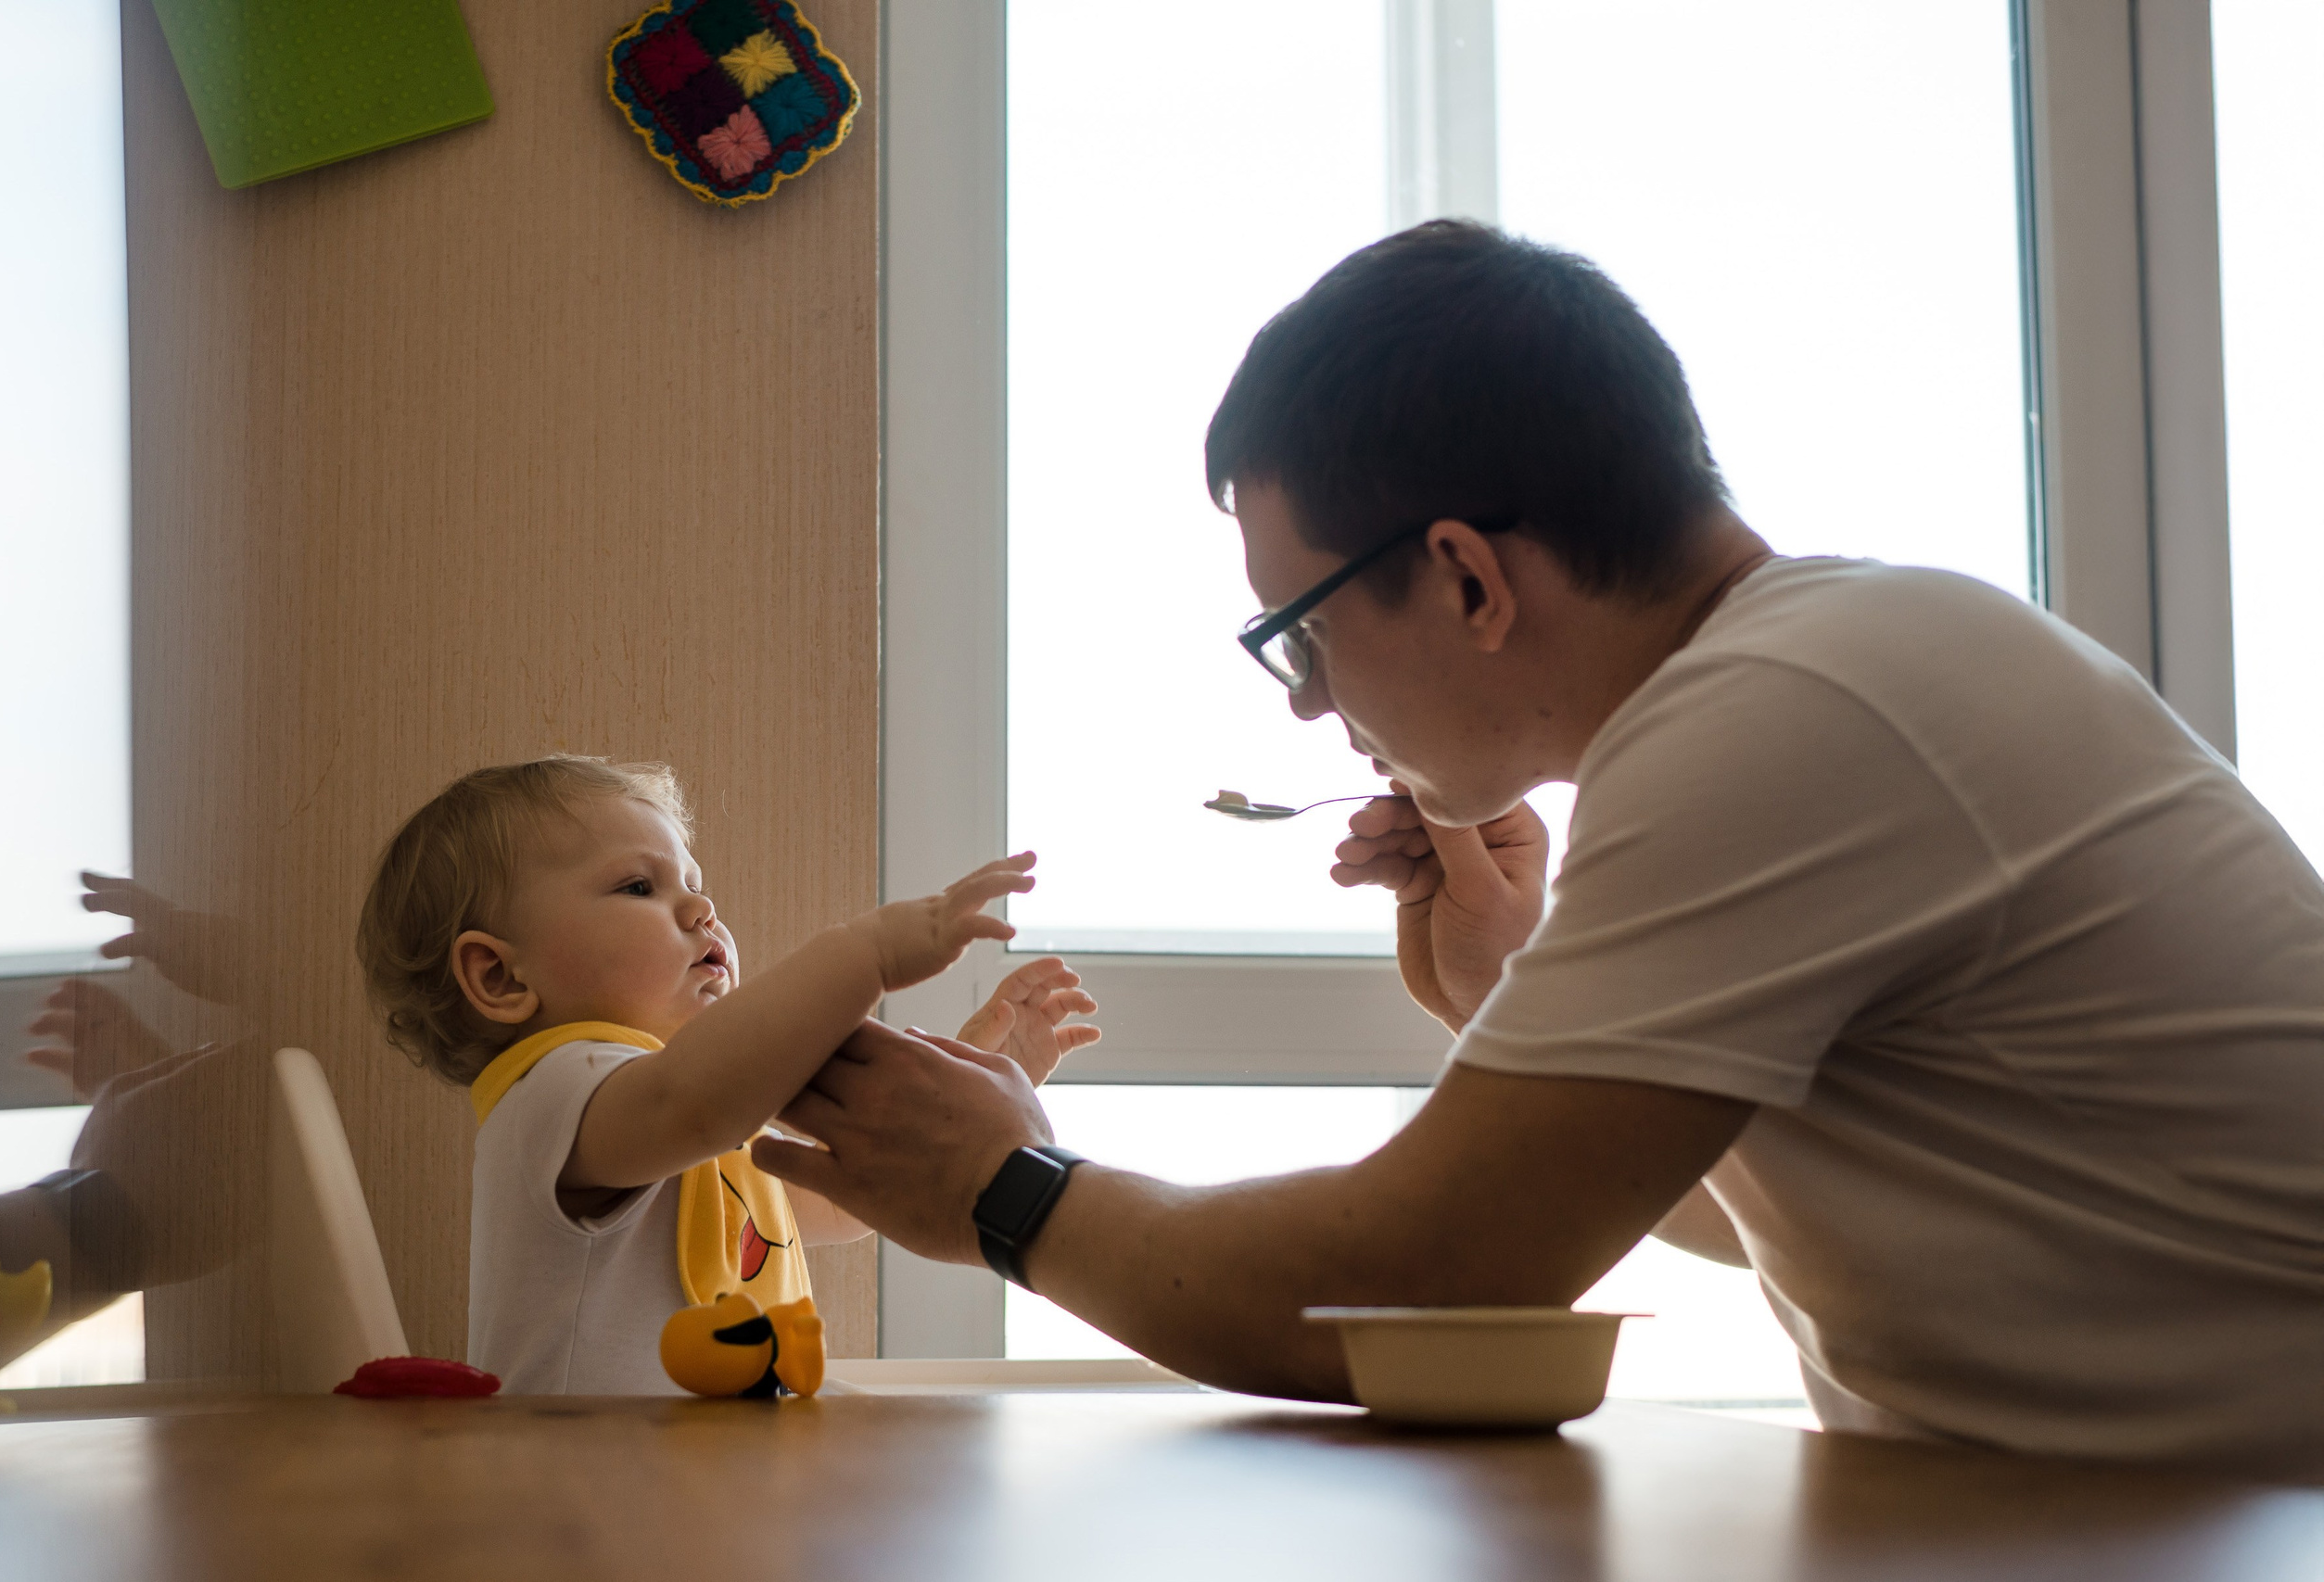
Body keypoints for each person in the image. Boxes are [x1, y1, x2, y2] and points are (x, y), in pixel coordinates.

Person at [750, 221, 2324, 1482]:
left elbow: (1433, 1275)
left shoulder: (1789, 709)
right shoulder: (1823, 670)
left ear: (1465, 579)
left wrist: (1003, 1191)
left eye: (1299, 639)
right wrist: (1507, 994)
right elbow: (1767, 1212)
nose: (1312, 712)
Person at [355, 755, 1096, 1393]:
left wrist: (983, 1074)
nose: (703, 908)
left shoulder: (687, 1118)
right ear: (500, 974)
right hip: (573, 1503)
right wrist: (863, 953)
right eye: (639, 887)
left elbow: (847, 1193)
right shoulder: (554, 1091)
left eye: (695, 883)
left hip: (690, 1495)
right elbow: (697, 1101)